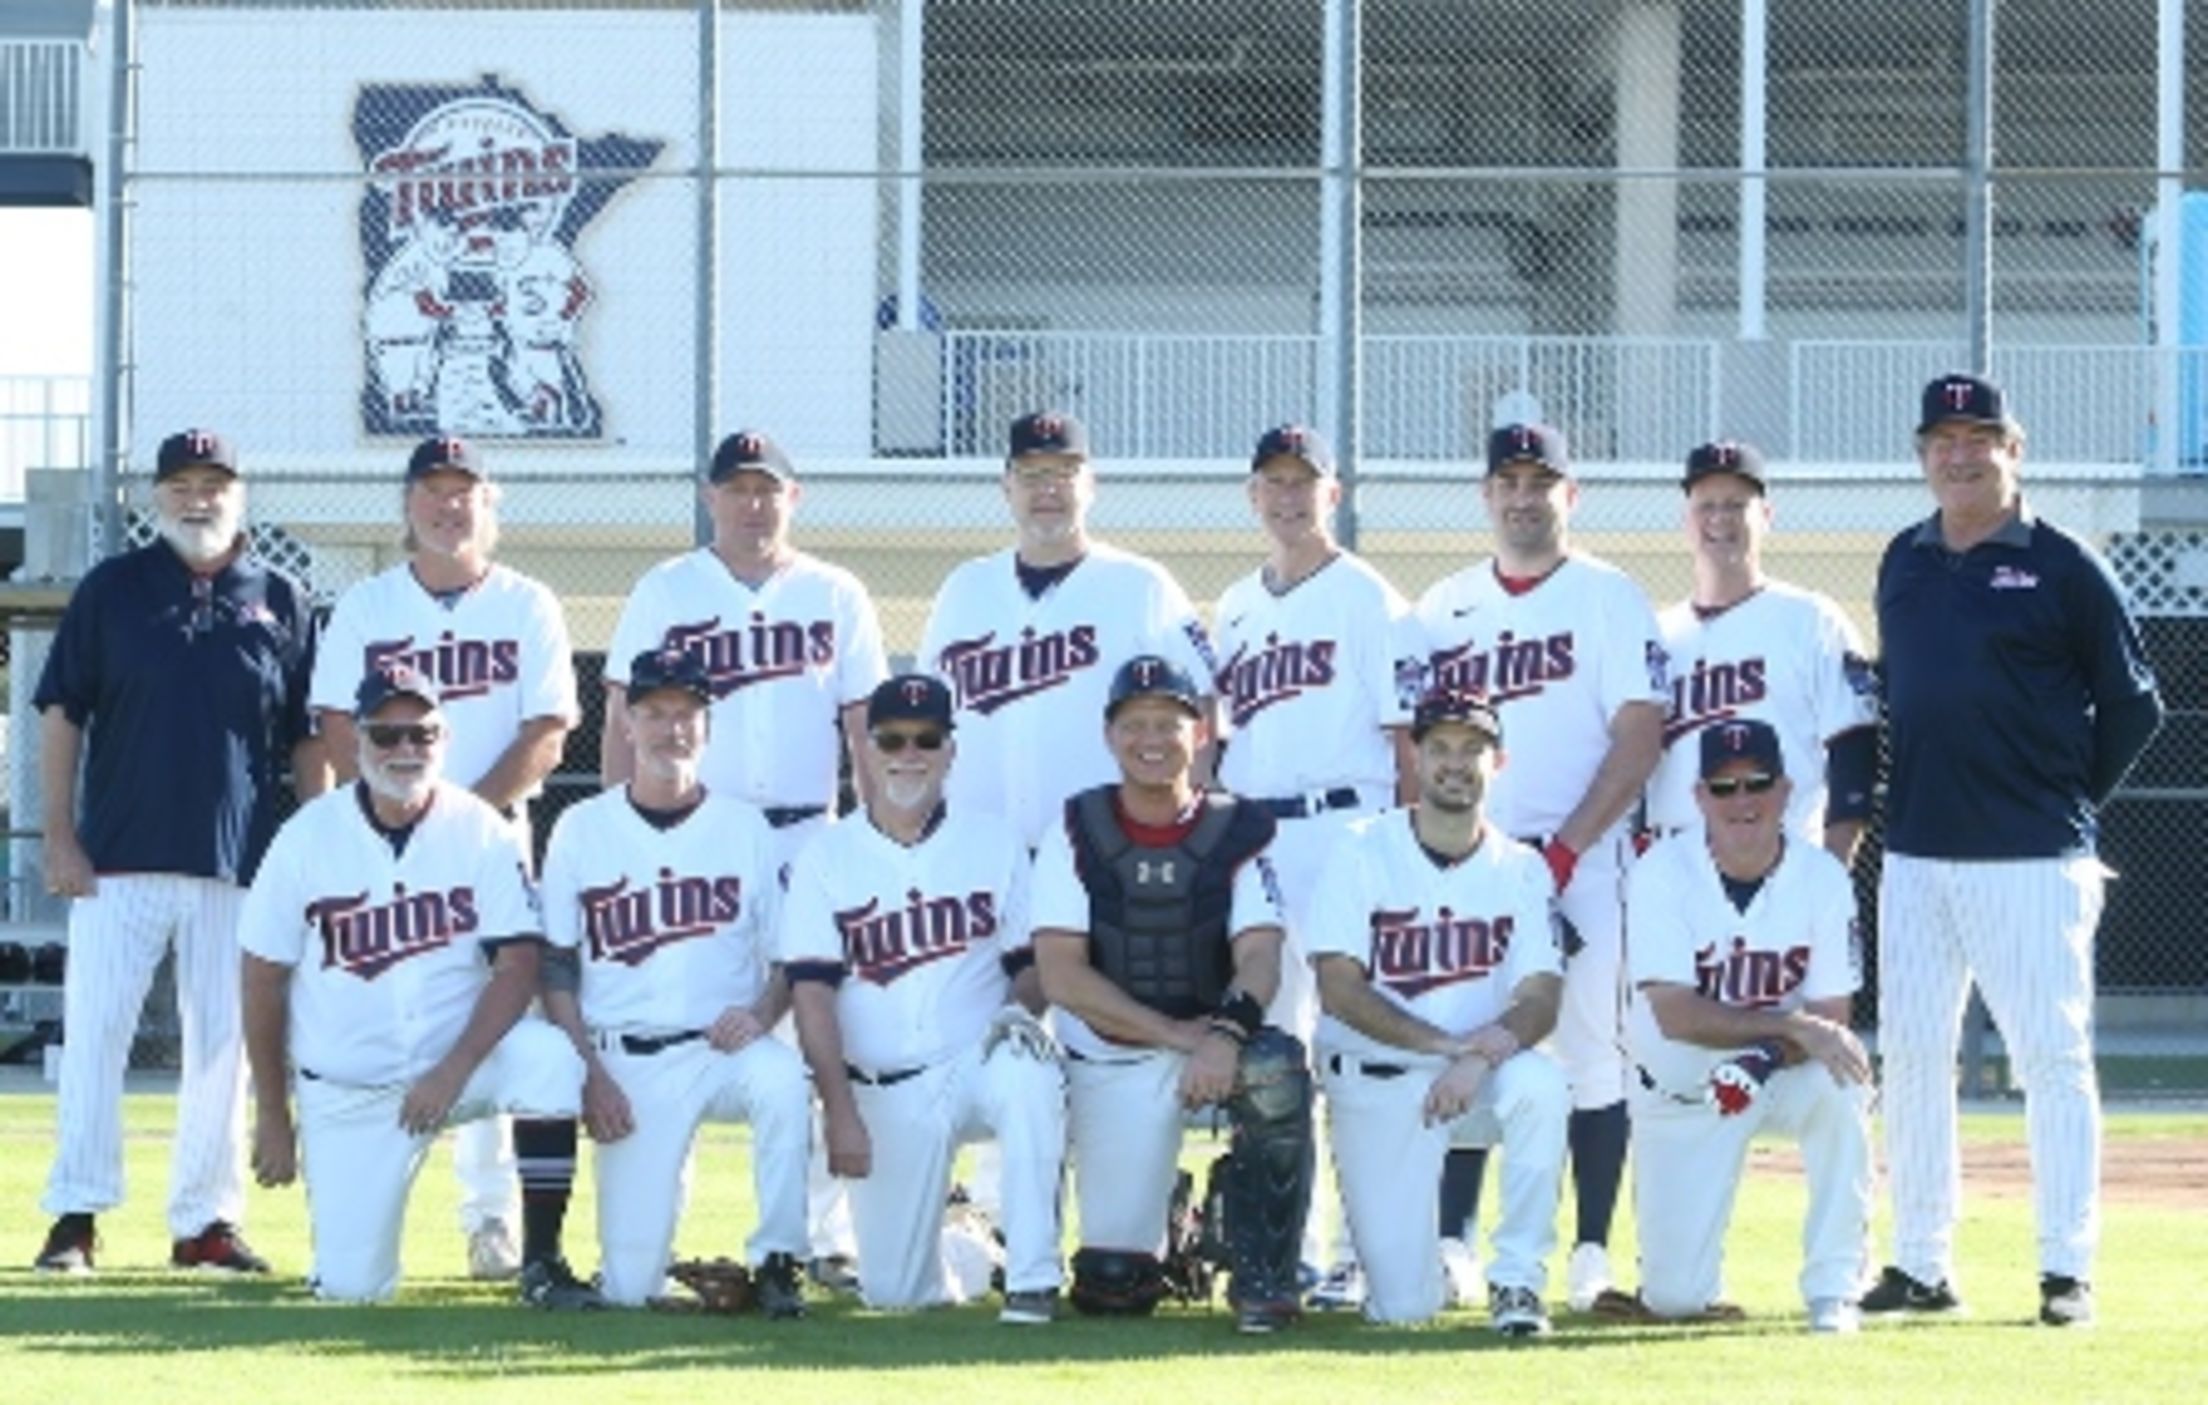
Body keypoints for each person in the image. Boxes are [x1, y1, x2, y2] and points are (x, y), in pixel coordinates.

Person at [1866, 373, 2162, 1329]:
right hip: (1913, 854)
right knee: (1910, 1059)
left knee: (2051, 1059)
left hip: (2033, 857)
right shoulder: (1903, 559)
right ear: (1923, 456)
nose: (1960, 453)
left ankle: (2065, 1268)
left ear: (2014, 450)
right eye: (1943, 439)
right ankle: (1920, 1263)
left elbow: (2133, 704)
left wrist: (2067, 799)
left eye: (1979, 437)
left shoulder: (2066, 564)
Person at [601, 427, 887, 1288]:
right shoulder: (666, 588)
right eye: (737, 488)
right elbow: (623, 716)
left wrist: (877, 844)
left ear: (793, 499)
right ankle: (656, 1224)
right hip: (699, 834)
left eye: (769, 489)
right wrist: (621, 825)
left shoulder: (836, 592)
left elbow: (863, 728)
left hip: (811, 832)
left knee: (823, 1028)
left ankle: (821, 1234)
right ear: (709, 496)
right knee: (680, 1019)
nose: (754, 503)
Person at [32, 429, 322, 1275]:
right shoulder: (113, 588)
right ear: (155, 497)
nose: (200, 498)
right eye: (182, 484)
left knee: (223, 1050)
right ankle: (75, 1217)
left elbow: (308, 739)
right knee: (95, 1037)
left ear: (242, 493)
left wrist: (315, 855)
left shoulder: (282, 596)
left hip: (239, 866)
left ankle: (205, 1223)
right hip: (113, 859)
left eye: (215, 483)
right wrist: (59, 832)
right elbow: (61, 712)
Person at [1407, 422, 1667, 1311]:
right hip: (1469, 866)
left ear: (1571, 494)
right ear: (1486, 495)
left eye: (1540, 481)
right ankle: (1453, 1241)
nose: (1523, 496)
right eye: (1508, 481)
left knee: (1594, 1047)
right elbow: (1410, 742)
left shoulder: (1610, 597)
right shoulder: (1441, 605)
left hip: (1583, 862)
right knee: (1466, 1034)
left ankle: (1590, 1253)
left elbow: (1640, 735)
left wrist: (1567, 847)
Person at [310, 434, 579, 1281]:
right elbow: (336, 725)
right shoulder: (367, 606)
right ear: (407, 507)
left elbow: (548, 730)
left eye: (465, 490)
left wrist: (463, 817)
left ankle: (493, 1219)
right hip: (383, 845)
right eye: (432, 489)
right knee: (388, 1006)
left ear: (489, 505)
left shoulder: (528, 603)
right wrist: (392, 812)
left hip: (495, 840)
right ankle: (357, 1183)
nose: (448, 504)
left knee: (508, 1019)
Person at [238, 669, 591, 1305]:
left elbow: (518, 965)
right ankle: (344, 1263)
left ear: (444, 739)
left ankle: (542, 1263)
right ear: (355, 743)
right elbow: (263, 976)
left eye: (421, 733)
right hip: (351, 1088)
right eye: (386, 733)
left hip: (458, 1068)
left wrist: (452, 1071)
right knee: (352, 1290)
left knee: (548, 1059)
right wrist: (272, 1111)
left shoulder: (480, 828)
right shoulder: (306, 837)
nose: (405, 749)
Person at [1029, 654, 1312, 1335]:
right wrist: (1179, 1034)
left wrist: (1221, 1034)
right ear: (1108, 734)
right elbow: (1061, 974)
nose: (1151, 738)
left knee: (1275, 1069)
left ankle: (1264, 1279)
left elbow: (1260, 957)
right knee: (1113, 1284)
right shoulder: (1075, 829)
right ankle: (1176, 1223)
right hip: (1116, 1054)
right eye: (1134, 723)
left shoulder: (1236, 827)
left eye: (1169, 723)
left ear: (1203, 732)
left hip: (1219, 1043)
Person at [783, 674, 1067, 1322]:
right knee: (897, 1294)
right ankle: (975, 1250)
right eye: (892, 738)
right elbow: (813, 997)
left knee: (1028, 1070)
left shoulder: (994, 841)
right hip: (884, 1085)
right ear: (868, 745)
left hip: (975, 1062)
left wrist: (1015, 1014)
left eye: (926, 738)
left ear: (950, 749)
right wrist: (839, 1107)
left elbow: (1033, 967)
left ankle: (1032, 1277)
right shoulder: (826, 856)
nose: (908, 752)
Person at [535, 648, 809, 1316]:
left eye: (686, 712)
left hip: (723, 1049)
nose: (671, 728)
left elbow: (789, 956)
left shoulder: (745, 827)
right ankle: (637, 1268)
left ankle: (777, 1260)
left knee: (783, 1081)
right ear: (626, 724)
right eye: (654, 713)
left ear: (708, 725)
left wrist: (763, 1011)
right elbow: (556, 966)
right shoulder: (583, 826)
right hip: (625, 1060)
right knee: (630, 1289)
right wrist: (588, 1068)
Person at [1208, 423, 1413, 1309]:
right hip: (1258, 837)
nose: (1289, 497)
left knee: (1361, 1045)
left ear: (1335, 494)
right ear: (1253, 496)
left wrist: (1403, 859)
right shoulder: (1233, 607)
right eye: (1274, 482)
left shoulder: (1370, 598)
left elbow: (1406, 744)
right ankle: (1293, 1248)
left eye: (1305, 482)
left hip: (1346, 826)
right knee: (1273, 1056)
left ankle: (1375, 1252)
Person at [1307, 687, 1568, 1333]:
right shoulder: (1360, 846)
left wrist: (1481, 1055)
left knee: (1542, 1084)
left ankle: (1518, 1282)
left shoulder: (1523, 867)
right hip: (1382, 1078)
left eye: (1473, 748)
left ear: (1497, 762)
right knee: (1403, 1309)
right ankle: (1431, 1267)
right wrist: (1452, 1049)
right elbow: (1338, 987)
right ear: (1415, 759)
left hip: (1474, 1075)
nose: (1457, 762)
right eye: (1441, 747)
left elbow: (1542, 997)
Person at [1624, 718, 1874, 1334]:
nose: (1743, 801)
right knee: (1676, 1299)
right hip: (1680, 1091)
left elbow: (1832, 1021)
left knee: (1842, 1079)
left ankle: (1836, 1288)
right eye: (1724, 787)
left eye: (1758, 783)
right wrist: (1789, 1028)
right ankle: (1677, 1279)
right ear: (1699, 797)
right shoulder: (1661, 872)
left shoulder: (1822, 877)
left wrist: (1763, 1057)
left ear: (1787, 791)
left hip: (1776, 1074)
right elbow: (1675, 1013)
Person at [919, 411, 1218, 853]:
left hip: (1106, 850)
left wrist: (1185, 827)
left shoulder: (1141, 585)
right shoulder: (965, 588)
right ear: (1007, 488)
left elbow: (1204, 704)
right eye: (1032, 474)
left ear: (1091, 486)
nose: (1048, 489)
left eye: (1064, 472)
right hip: (979, 854)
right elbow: (927, 717)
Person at [1644, 441, 1877, 862]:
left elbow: (1853, 754)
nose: (1720, 519)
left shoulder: (1811, 619)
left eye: (1736, 505)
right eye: (1706, 506)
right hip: (1675, 865)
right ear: (1686, 521)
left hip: (1784, 858)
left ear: (1766, 517)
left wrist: (1832, 870)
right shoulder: (1659, 636)